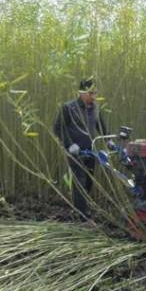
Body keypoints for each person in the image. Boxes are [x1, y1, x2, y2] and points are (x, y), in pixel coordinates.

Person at [53, 76, 108, 222]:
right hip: (75, 151)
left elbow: (101, 127)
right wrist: (69, 144)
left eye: (95, 93)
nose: (94, 96)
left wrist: (109, 142)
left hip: (91, 150)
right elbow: (58, 128)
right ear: (82, 93)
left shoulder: (95, 108)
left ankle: (81, 207)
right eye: (91, 93)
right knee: (80, 180)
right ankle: (82, 216)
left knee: (89, 179)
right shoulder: (69, 108)